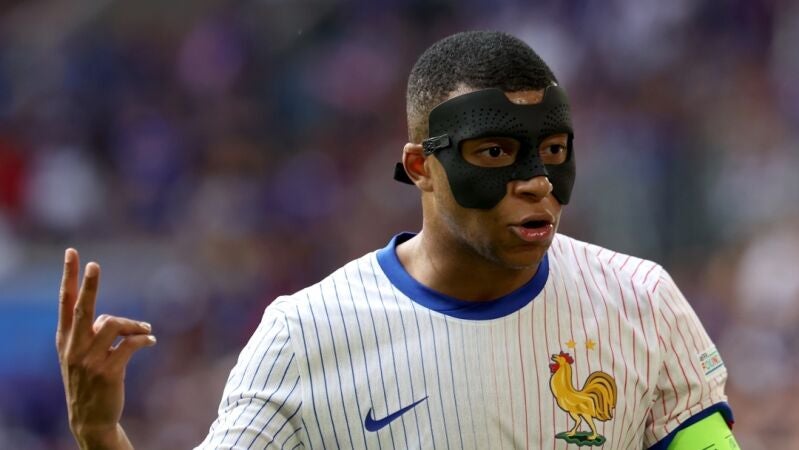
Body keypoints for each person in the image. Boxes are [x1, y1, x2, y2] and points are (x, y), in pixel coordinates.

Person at [56, 31, 739, 449]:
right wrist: (98, 433)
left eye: (554, 151)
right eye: (496, 153)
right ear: (420, 167)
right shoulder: (306, 335)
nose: (537, 181)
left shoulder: (641, 300)